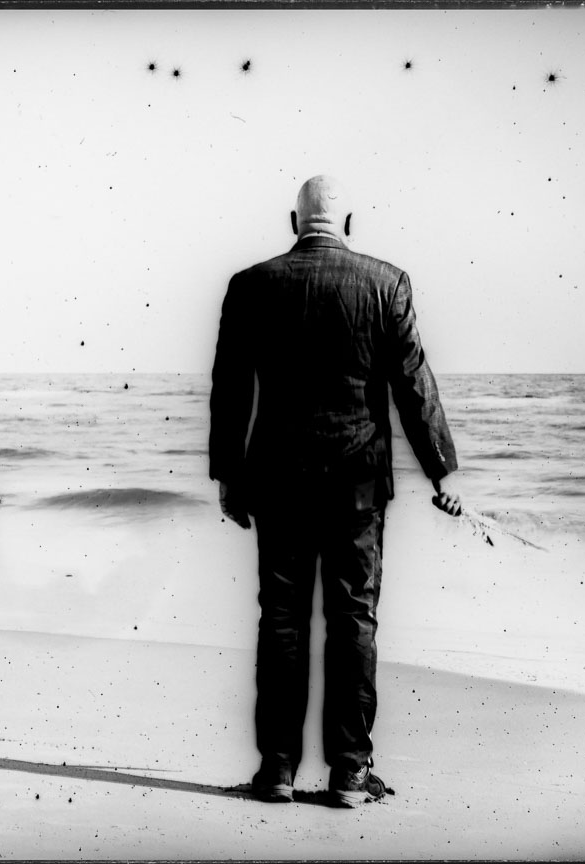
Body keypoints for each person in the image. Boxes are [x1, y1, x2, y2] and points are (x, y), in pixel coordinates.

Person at [208, 175, 462, 808]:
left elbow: (231, 388)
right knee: (354, 619)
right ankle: (350, 772)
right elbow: (413, 383)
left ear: (293, 221)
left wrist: (229, 476)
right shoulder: (386, 283)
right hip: (358, 483)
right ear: (348, 224)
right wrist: (440, 473)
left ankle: (277, 770)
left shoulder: (251, 284)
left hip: (279, 479)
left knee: (282, 620)